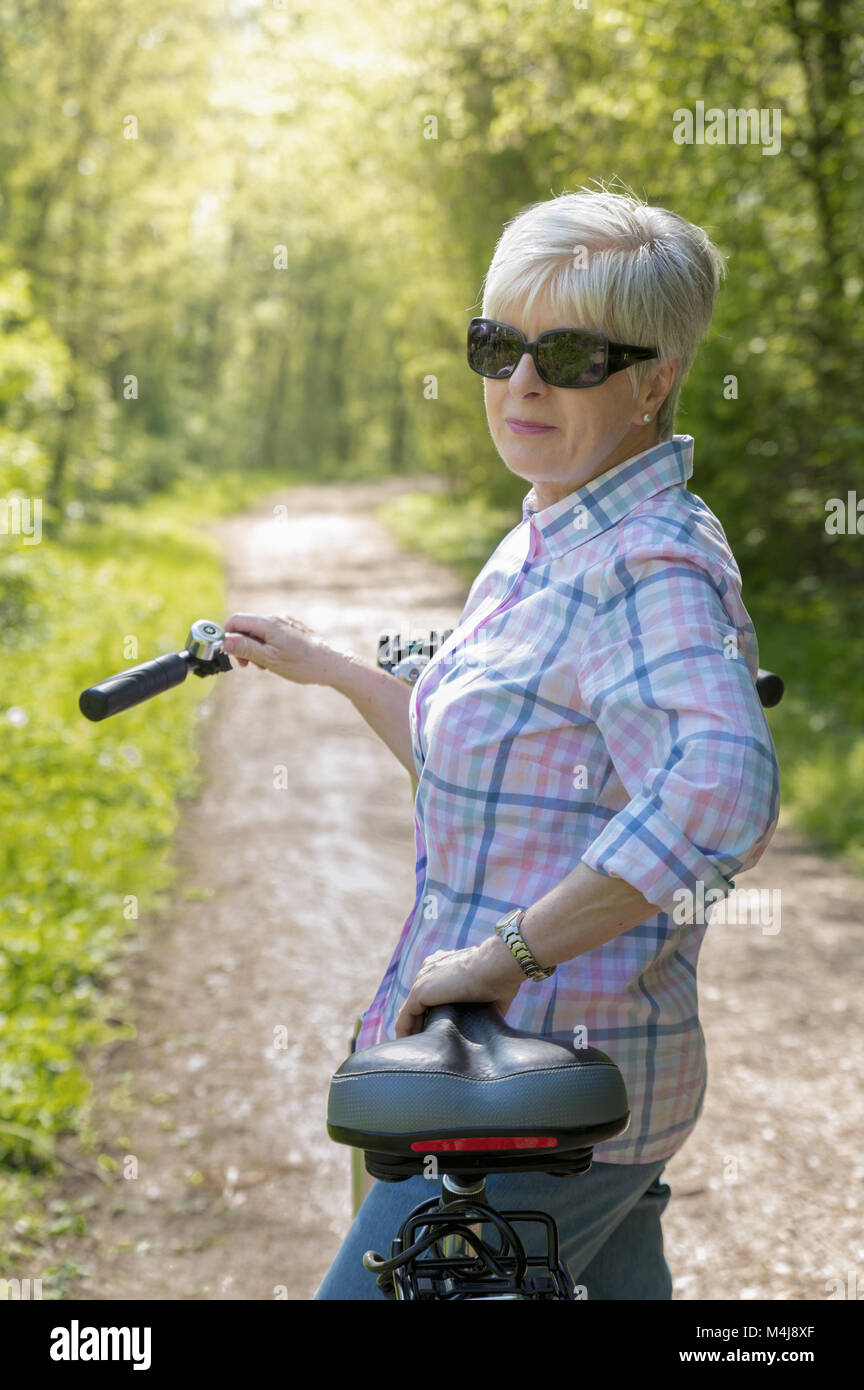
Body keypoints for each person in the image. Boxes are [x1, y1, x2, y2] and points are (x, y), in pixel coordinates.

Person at [221, 183, 780, 1300]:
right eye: (498, 345)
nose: (521, 382)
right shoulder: (551, 529)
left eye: (569, 356)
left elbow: (720, 786)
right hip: (523, 1084)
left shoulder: (647, 562)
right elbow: (488, 779)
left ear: (654, 376)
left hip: (537, 1094)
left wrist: (507, 954)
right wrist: (331, 667)